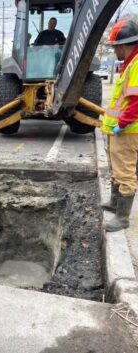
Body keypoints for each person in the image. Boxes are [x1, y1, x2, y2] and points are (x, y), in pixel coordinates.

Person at [101, 19, 138, 232]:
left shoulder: (136, 64)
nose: (115, 51)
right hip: (119, 131)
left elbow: (136, 102)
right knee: (116, 169)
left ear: (123, 45)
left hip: (127, 131)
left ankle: (122, 218)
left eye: (115, 47)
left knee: (125, 172)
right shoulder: (130, 64)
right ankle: (115, 204)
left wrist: (121, 124)